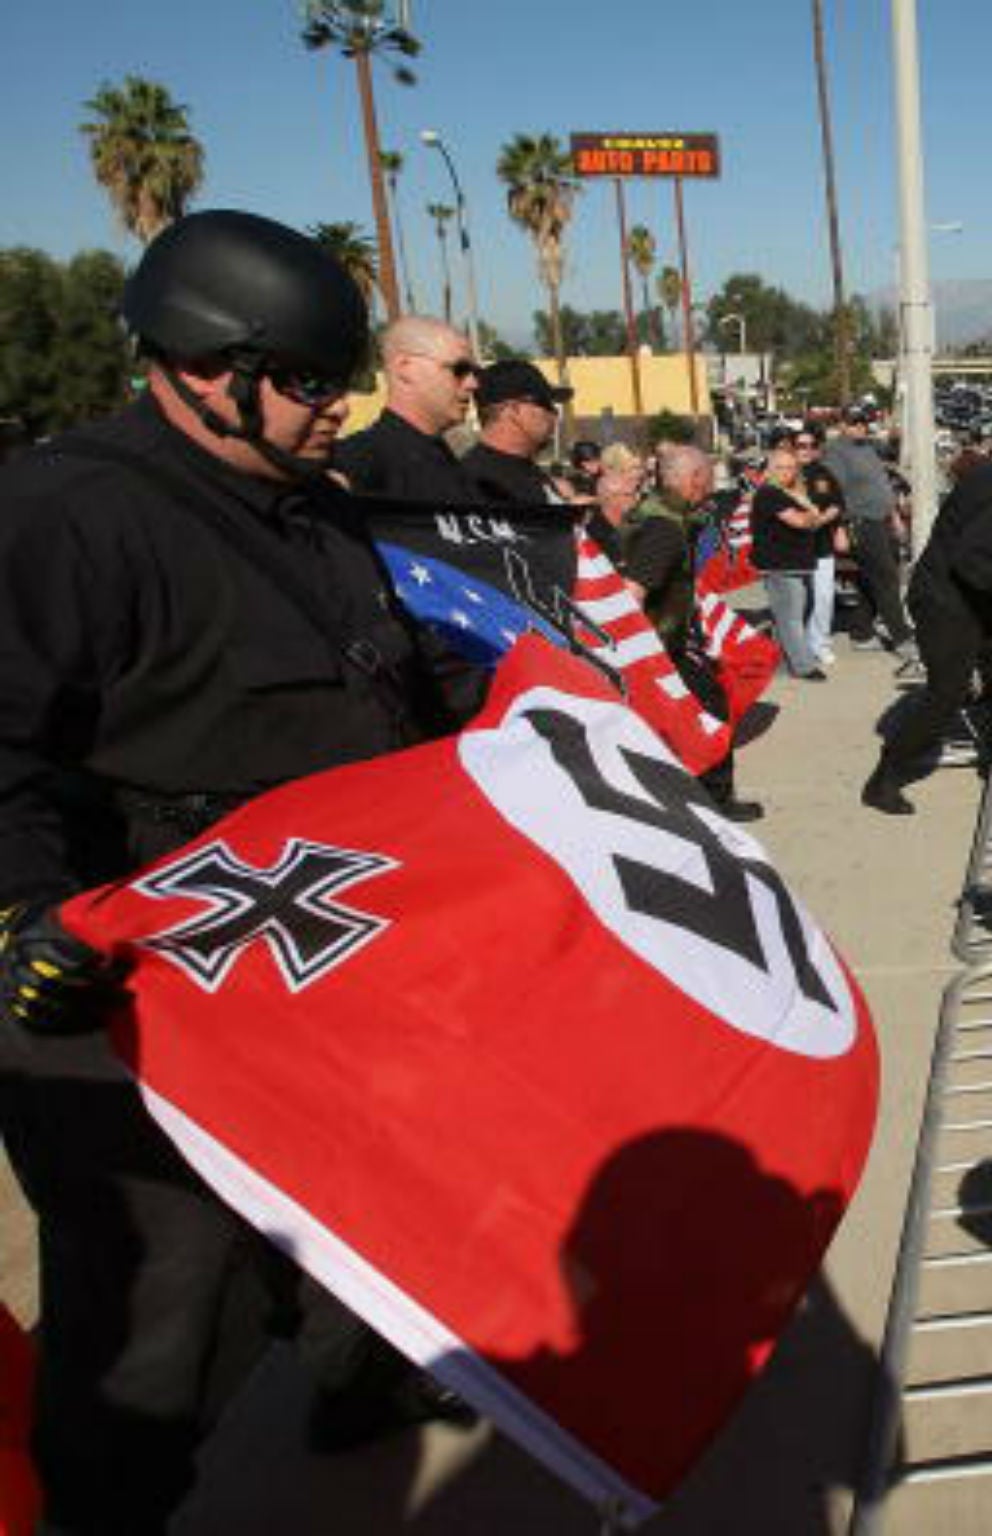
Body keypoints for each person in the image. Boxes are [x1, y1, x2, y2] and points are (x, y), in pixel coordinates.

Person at [0, 210, 479, 1534]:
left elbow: (399, 692)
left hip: (308, 966)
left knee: (358, 1213)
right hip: (126, 997)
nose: (343, 411)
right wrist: (20, 912)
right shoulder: (64, 514)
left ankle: (355, 1383)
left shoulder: (306, 516)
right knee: (163, 1310)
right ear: (213, 371)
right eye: (317, 384)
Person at [861, 432, 992, 815]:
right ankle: (885, 778)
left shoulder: (990, 474)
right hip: (945, 604)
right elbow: (969, 558)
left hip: (963, 596)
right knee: (947, 692)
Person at [626, 443, 762, 822]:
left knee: (692, 712)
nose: (711, 488)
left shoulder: (661, 513)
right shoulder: (665, 529)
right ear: (695, 479)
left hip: (666, 643)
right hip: (658, 648)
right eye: (707, 478)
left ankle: (697, 795)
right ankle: (715, 800)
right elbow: (631, 595)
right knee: (712, 710)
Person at [331, 314, 478, 500]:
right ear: (405, 368)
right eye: (460, 370)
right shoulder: (364, 457)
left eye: (474, 372)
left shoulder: (446, 458)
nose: (472, 383)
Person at [820, 410, 911, 652]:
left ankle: (861, 633)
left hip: (882, 519)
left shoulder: (868, 448)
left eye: (863, 422)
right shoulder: (835, 452)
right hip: (859, 522)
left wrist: (895, 518)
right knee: (887, 577)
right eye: (854, 423)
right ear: (842, 425)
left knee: (870, 579)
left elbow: (882, 484)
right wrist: (837, 528)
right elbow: (832, 492)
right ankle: (902, 637)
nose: (860, 427)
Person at [751, 443, 831, 682]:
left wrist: (812, 517)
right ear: (771, 469)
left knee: (791, 616)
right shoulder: (769, 493)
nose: (786, 472)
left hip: (797, 563)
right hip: (780, 564)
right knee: (792, 618)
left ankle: (782, 661)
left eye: (791, 468)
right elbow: (799, 521)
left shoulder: (793, 493)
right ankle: (803, 666)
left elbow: (811, 519)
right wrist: (813, 517)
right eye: (781, 467)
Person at [461, 359, 573, 503]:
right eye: (545, 403)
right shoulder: (480, 482)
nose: (554, 413)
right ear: (512, 410)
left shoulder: (524, 469)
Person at [793, 426, 847, 667]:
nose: (805, 451)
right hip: (791, 548)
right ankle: (797, 647)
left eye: (810, 446)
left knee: (823, 597)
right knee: (796, 600)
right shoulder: (783, 472)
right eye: (800, 446)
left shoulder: (825, 474)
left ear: (817, 450)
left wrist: (822, 521)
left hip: (821, 545)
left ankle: (820, 644)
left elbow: (837, 504)